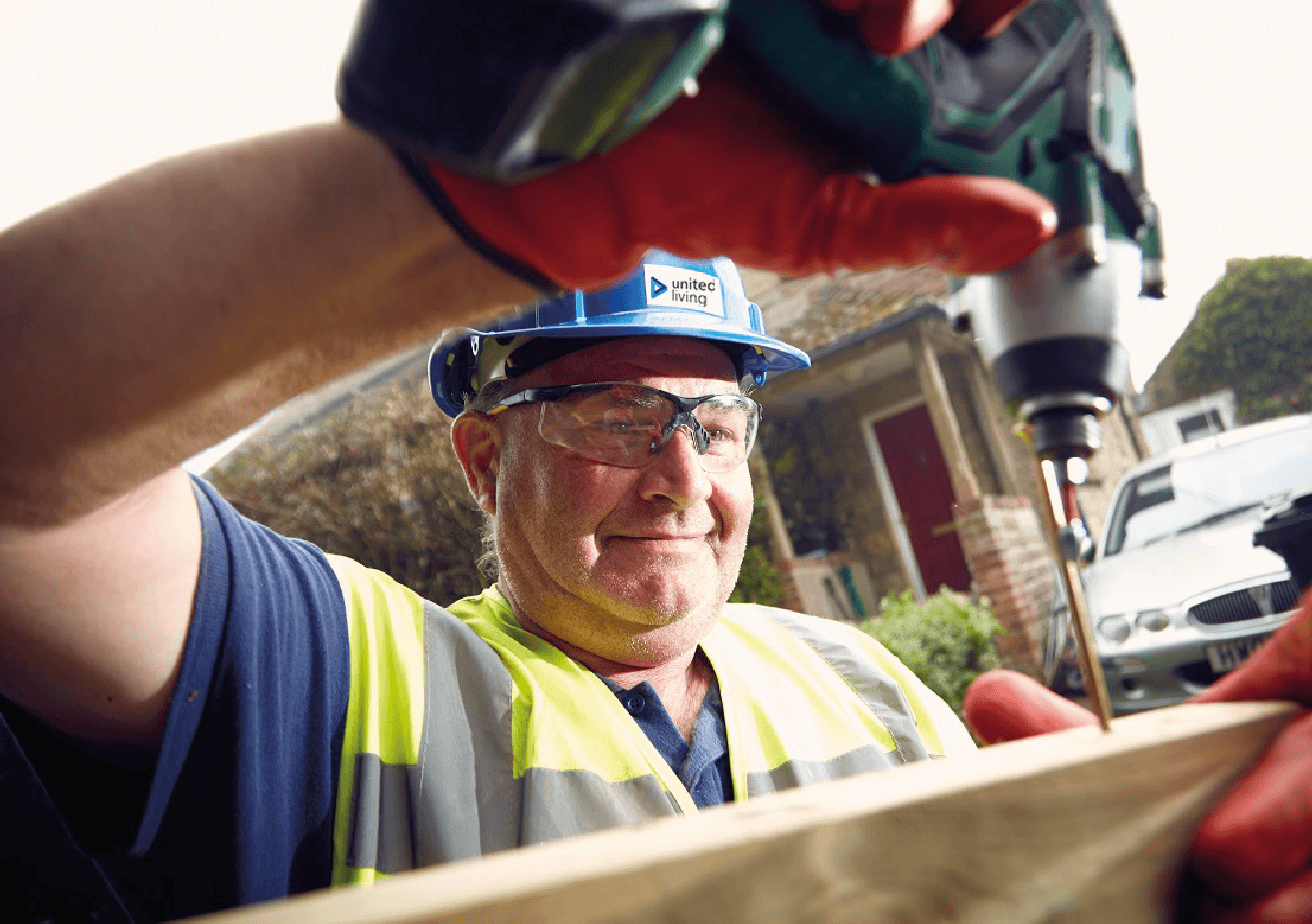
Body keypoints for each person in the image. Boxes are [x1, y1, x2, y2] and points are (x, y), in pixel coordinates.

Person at [1, 1, 1311, 922]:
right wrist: (500, 202)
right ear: (479, 458)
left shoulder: (861, 680)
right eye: (619, 414)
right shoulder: (352, 683)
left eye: (716, 420)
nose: (682, 479)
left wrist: (1145, 843)